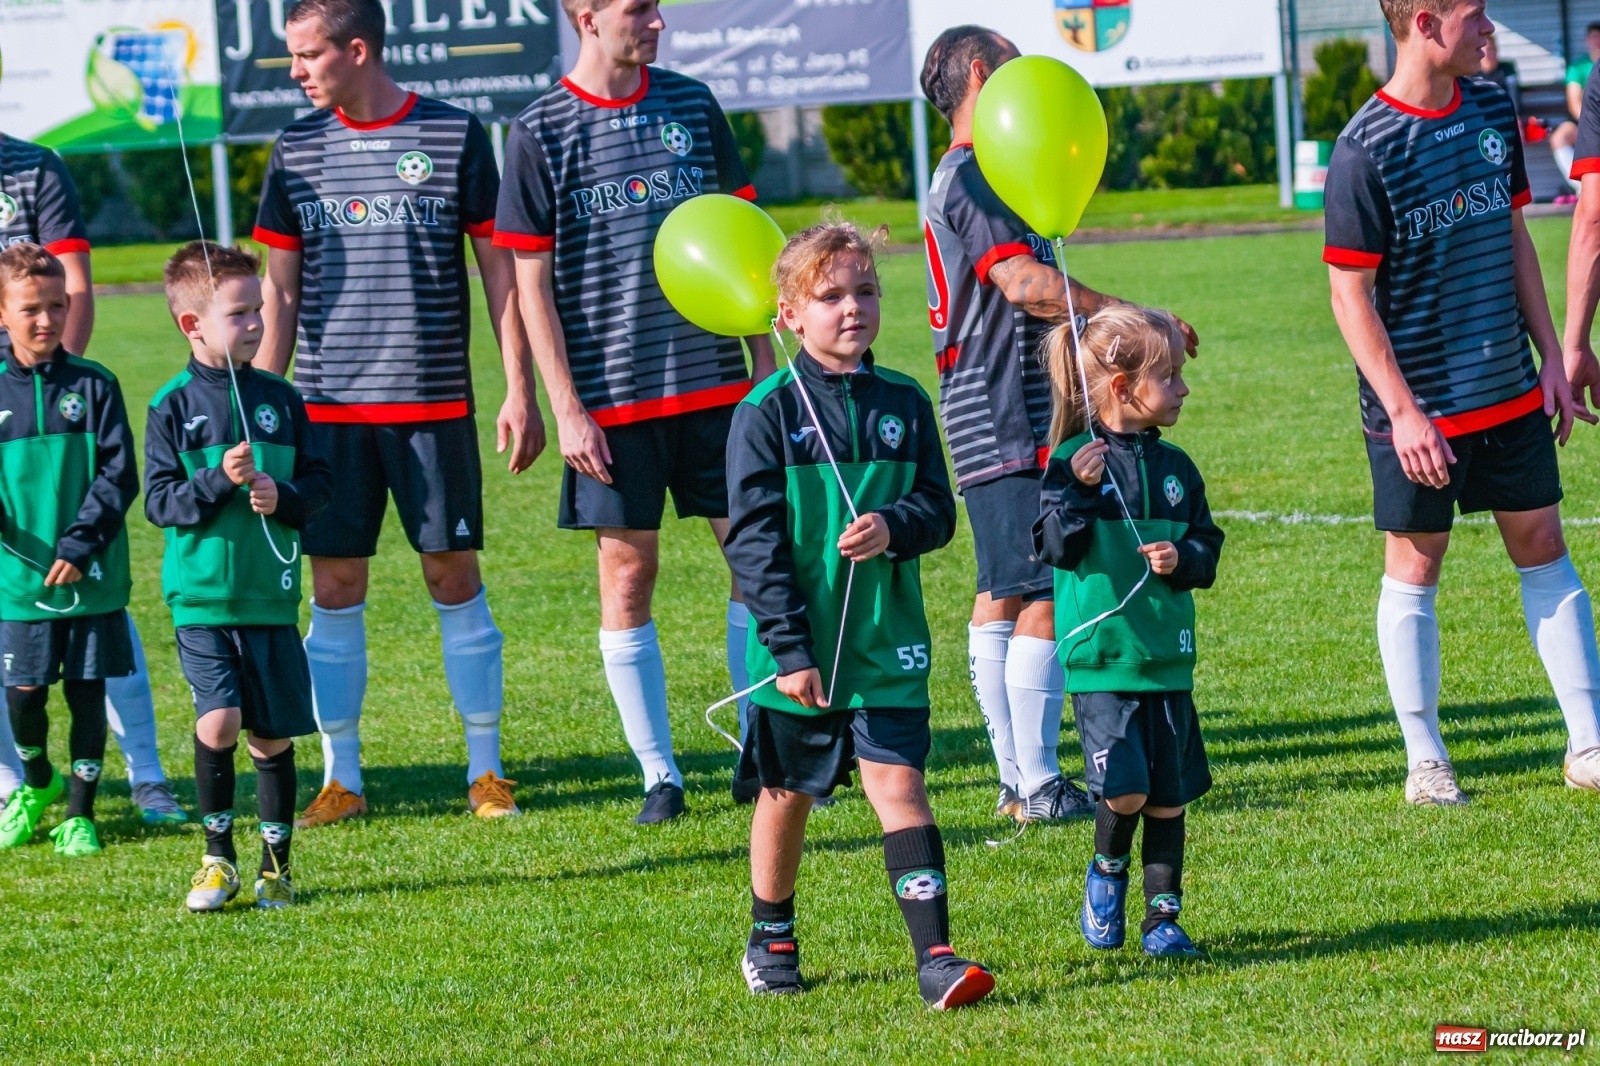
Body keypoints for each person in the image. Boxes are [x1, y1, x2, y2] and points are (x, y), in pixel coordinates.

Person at [256, 0, 544, 825]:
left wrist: (516, 388)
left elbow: (499, 274)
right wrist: (264, 407)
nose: (297, 71)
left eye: (308, 55)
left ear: (357, 49)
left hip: (433, 408)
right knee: (336, 585)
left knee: (453, 576)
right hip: (328, 414)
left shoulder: (454, 135)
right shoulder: (294, 149)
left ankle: (485, 772)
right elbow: (279, 289)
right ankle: (340, 778)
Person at [496, 0, 775, 823]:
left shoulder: (692, 103)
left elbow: (750, 238)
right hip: (611, 402)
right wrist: (564, 406)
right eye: (637, 8)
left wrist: (765, 368)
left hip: (720, 389)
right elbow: (528, 286)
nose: (656, 21)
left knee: (756, 564)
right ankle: (660, 773)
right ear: (585, 15)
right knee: (628, 575)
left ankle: (758, 752)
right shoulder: (539, 130)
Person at [917, 25, 1198, 824]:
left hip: (994, 400)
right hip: (1004, 403)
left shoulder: (985, 168)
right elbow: (1024, 283)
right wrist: (1137, 318)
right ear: (982, 73)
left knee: (1003, 592)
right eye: (1013, 63)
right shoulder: (976, 170)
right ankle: (1036, 783)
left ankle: (1020, 780)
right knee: (1038, 583)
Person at [1324, 0, 1600, 803]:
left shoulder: (1490, 105)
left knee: (1544, 542)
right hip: (1420, 409)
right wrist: (1404, 412)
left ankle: (1587, 743)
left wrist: (1552, 354)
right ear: (1424, 25)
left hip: (1508, 388)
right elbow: (1351, 296)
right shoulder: (1363, 148)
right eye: (1475, 17)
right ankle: (1426, 760)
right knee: (1415, 565)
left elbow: (1513, 232)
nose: (1490, 32)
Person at [723, 221, 993, 1008]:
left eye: (866, 292)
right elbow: (754, 543)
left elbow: (939, 512)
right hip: (799, 653)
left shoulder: (906, 402)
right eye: (830, 296)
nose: (852, 309)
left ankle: (936, 957)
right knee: (788, 794)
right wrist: (787, 648)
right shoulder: (766, 411)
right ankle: (770, 933)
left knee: (900, 788)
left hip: (886, 644)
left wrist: (893, 527)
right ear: (789, 316)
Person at [0, 133, 184, 824]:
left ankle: (147, 775)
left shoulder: (34, 166)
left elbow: (70, 285)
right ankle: (13, 783)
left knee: (96, 618)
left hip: (49, 418)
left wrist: (56, 389)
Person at [145, 243, 332, 910]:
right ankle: (217, 859)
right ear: (192, 324)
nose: (255, 323)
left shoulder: (282, 397)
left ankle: (276, 867)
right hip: (201, 598)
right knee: (219, 721)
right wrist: (214, 481)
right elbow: (160, 502)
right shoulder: (170, 405)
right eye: (239, 313)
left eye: (259, 309)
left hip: (271, 597)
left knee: (270, 733)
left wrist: (282, 496)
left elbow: (320, 486)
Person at [1033, 305, 1223, 958]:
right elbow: (1056, 547)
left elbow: (1208, 545)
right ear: (1122, 388)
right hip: (1103, 658)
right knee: (1127, 788)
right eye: (1169, 376)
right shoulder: (1072, 461)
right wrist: (1081, 490)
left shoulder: (1178, 469)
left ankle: (1163, 921)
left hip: (1166, 656)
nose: (1183, 388)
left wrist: (1185, 560)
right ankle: (1106, 871)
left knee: (1168, 799)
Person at [0, 245, 138, 856]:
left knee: (86, 690)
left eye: (58, 306)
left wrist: (81, 543)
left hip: (90, 572)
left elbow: (119, 474)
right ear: (3, 311)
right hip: (17, 580)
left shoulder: (95, 384)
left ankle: (79, 813)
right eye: (31, 308)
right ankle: (37, 781)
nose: (46, 320)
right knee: (24, 694)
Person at [1550, 21, 1600, 197]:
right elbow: (1574, 103)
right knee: (1559, 137)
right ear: (1587, 40)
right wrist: (1592, 124)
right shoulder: (1578, 67)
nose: (1597, 41)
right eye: (1594, 37)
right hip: (1586, 122)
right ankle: (1582, 188)